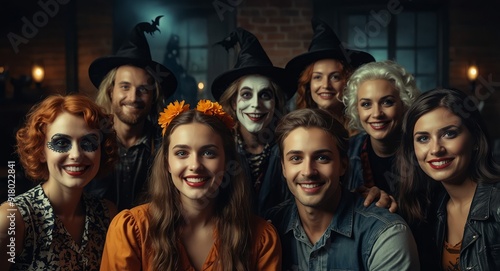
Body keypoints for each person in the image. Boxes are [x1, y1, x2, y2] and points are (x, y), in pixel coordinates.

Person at [100, 100, 282, 270]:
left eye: (209, 153)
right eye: (181, 153)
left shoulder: (261, 238)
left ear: (227, 163)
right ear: (166, 163)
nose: (195, 165)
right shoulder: (132, 231)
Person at [266, 108, 419, 270]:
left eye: (322, 158)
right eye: (296, 158)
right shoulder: (270, 227)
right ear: (283, 168)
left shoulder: (385, 234)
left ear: (343, 165)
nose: (308, 171)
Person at [0, 94, 118, 270]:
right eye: (62, 143)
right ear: (41, 151)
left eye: (88, 142)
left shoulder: (107, 214)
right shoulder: (13, 219)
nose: (76, 154)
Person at [397, 88, 500, 270]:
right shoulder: (432, 207)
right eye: (423, 138)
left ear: (475, 139)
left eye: (449, 134)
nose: (436, 149)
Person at [86, 16, 178, 210]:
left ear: (153, 96)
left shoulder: (166, 144)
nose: (133, 97)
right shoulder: (90, 141)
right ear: (111, 91)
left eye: (143, 89)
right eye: (125, 87)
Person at [211, 27, 296, 216]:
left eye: (265, 95)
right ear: (234, 102)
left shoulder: (289, 146)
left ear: (276, 102)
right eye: (247, 94)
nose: (256, 104)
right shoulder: (219, 146)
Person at [342, 60, 420, 195]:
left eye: (387, 102)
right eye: (366, 104)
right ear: (357, 109)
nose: (377, 114)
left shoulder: (423, 150)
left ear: (404, 104)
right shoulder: (347, 151)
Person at [286, 17, 375, 126]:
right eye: (317, 77)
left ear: (348, 83)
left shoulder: (366, 126)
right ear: (308, 84)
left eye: (335, 77)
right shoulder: (295, 128)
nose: (326, 85)